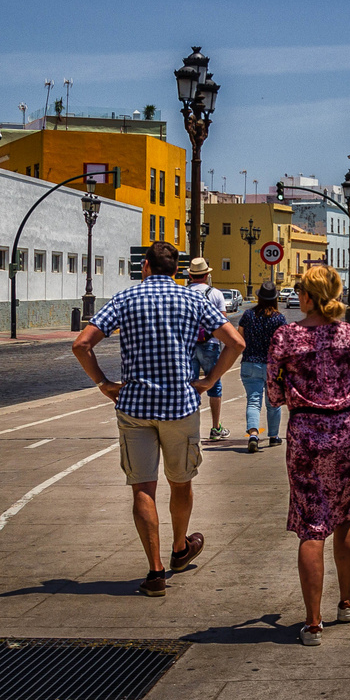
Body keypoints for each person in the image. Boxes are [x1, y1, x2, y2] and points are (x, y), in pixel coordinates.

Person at [73, 241, 244, 597]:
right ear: (177, 270)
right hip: (179, 406)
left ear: (146, 267)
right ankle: (180, 548)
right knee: (181, 483)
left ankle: (155, 572)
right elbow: (236, 343)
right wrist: (210, 380)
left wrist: (103, 383)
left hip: (134, 407)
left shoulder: (125, 298)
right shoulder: (194, 300)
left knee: (143, 488)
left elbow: (81, 344)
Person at [267, 265, 350, 645]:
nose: (297, 296)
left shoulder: (286, 336)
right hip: (346, 431)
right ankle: (346, 602)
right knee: (344, 516)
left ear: (309, 297)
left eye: (300, 290)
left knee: (313, 523)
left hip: (305, 434)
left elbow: (274, 394)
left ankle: (313, 624)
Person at [237, 280, 288, 453]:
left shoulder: (248, 315)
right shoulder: (279, 319)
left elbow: (239, 339)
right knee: (273, 403)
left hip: (250, 363)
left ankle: (253, 434)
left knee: (253, 401)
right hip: (272, 366)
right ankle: (273, 437)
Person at [185, 258, 231, 441]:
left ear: (190, 275)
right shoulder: (216, 294)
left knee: (190, 385)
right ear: (207, 275)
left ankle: (191, 427)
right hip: (210, 343)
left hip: (188, 344)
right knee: (213, 383)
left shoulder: (183, 292)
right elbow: (223, 321)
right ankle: (215, 427)